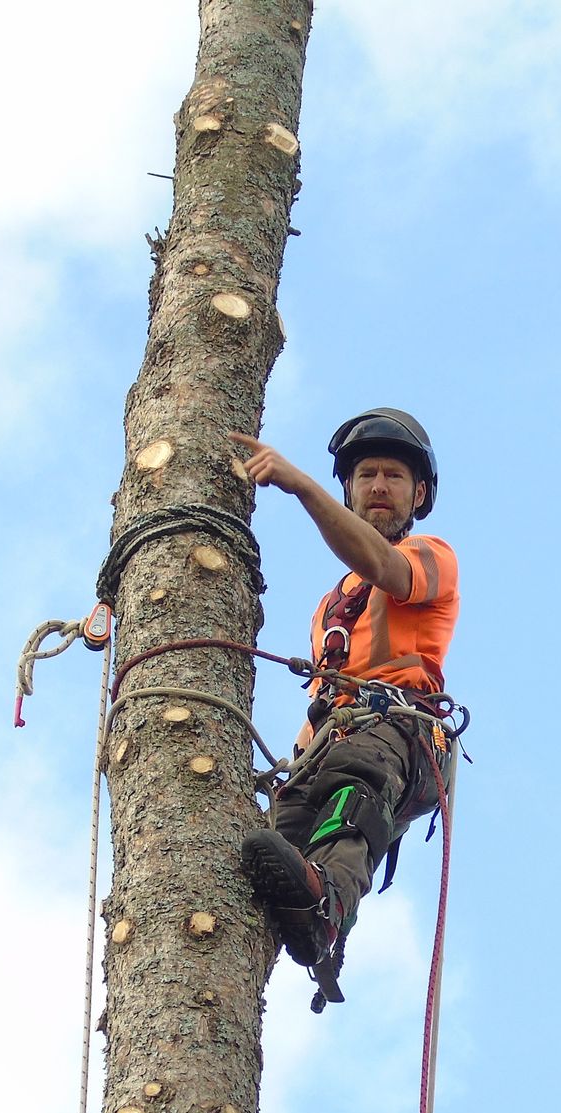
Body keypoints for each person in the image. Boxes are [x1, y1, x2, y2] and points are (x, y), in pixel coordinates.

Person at [229, 408, 460, 1011]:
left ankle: (328, 905)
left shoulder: (431, 555)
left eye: (392, 476)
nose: (378, 486)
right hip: (334, 735)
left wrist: (300, 485)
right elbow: (324, 697)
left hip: (395, 731)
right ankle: (280, 921)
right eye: (366, 476)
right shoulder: (331, 605)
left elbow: (384, 566)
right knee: (269, 840)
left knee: (356, 786)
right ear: (351, 491)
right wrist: (291, 768)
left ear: (419, 494)